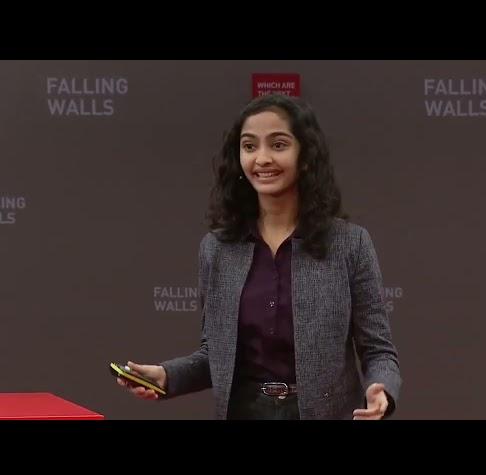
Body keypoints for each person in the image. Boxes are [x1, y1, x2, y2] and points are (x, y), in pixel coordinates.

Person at [116, 93, 401, 420]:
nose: (262, 159)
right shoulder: (217, 249)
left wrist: (381, 387)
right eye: (249, 146)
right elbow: (216, 356)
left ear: (305, 155)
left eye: (278, 145)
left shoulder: (350, 244)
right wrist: (167, 376)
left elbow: (379, 351)